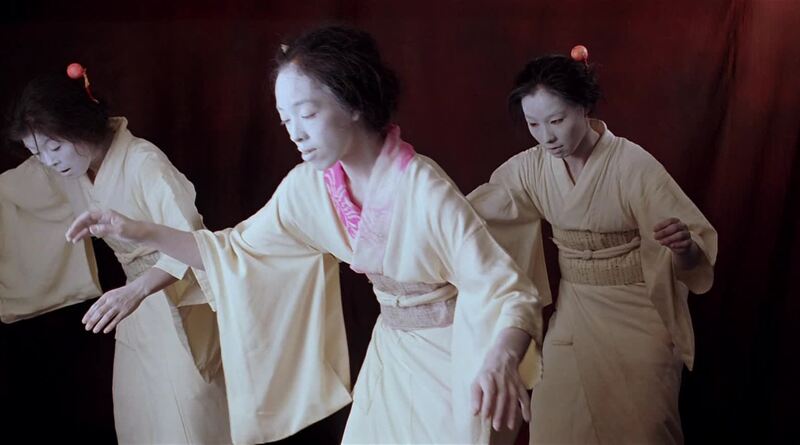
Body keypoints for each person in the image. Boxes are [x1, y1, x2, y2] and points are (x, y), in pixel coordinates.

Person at [68, 26, 544, 444]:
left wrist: (502, 358)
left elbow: (509, 291)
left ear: (352, 101)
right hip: (394, 355)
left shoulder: (423, 188)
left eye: (307, 114)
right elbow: (234, 252)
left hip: (456, 355)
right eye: (285, 120)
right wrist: (137, 229)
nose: (294, 133)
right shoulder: (310, 186)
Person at [468, 50, 718, 444]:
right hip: (575, 311)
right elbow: (479, 214)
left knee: (645, 431)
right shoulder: (531, 167)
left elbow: (694, 242)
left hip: (638, 315)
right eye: (534, 124)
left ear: (583, 107)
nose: (546, 137)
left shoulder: (632, 164)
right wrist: (426, 216)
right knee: (554, 426)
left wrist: (683, 247)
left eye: (556, 121)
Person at [5, 65, 231, 444]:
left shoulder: (143, 162)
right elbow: (14, 196)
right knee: (140, 418)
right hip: (132, 306)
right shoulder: (70, 167)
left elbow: (194, 241)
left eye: (55, 148)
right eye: (36, 153)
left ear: (79, 123)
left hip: (178, 296)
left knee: (189, 419)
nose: (49, 162)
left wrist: (137, 291)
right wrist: (132, 294)